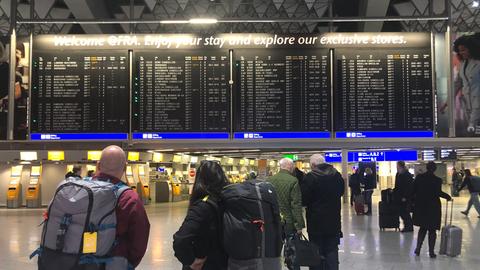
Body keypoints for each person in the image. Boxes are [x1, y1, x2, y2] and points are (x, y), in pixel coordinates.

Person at [91, 145, 150, 268]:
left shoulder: (75, 191)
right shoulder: (129, 198)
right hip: (111, 263)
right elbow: (139, 242)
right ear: (125, 167)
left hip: (73, 262)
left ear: (98, 165)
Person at [173, 160, 229, 270]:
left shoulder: (202, 207)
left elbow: (181, 240)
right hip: (226, 263)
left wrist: (191, 261)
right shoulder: (228, 202)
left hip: (207, 264)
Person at [301, 154, 344, 270]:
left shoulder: (310, 177)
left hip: (316, 222)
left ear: (313, 165)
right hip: (333, 221)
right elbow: (341, 192)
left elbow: (304, 199)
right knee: (332, 250)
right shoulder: (337, 175)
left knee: (316, 252)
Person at [268, 158, 304, 270]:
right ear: (290, 167)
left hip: (274, 222)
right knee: (292, 251)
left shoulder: (270, 180)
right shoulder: (293, 181)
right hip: (289, 223)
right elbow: (296, 205)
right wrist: (299, 225)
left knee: (273, 251)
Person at [412, 161, 452, 258]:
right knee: (432, 230)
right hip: (433, 207)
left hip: (421, 207)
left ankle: (418, 248)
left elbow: (413, 190)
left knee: (422, 228)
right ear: (435, 169)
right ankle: (431, 252)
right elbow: (438, 192)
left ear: (426, 167)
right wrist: (448, 197)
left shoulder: (419, 178)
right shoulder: (437, 180)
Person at [453, 35, 480, 134]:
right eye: (459, 50)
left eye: (463, 50)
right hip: (468, 104)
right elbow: (458, 83)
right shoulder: (463, 64)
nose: (461, 53)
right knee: (473, 132)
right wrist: (447, 102)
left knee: (475, 132)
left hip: (477, 103)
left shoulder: (478, 63)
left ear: (472, 49)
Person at [394, 161, 414, 232]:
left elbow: (409, 187)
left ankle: (409, 226)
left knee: (405, 212)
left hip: (405, 197)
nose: (396, 167)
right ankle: (407, 226)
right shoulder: (398, 174)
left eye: (397, 166)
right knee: (401, 212)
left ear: (400, 166)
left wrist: (405, 196)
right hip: (399, 197)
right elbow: (397, 186)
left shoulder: (407, 175)